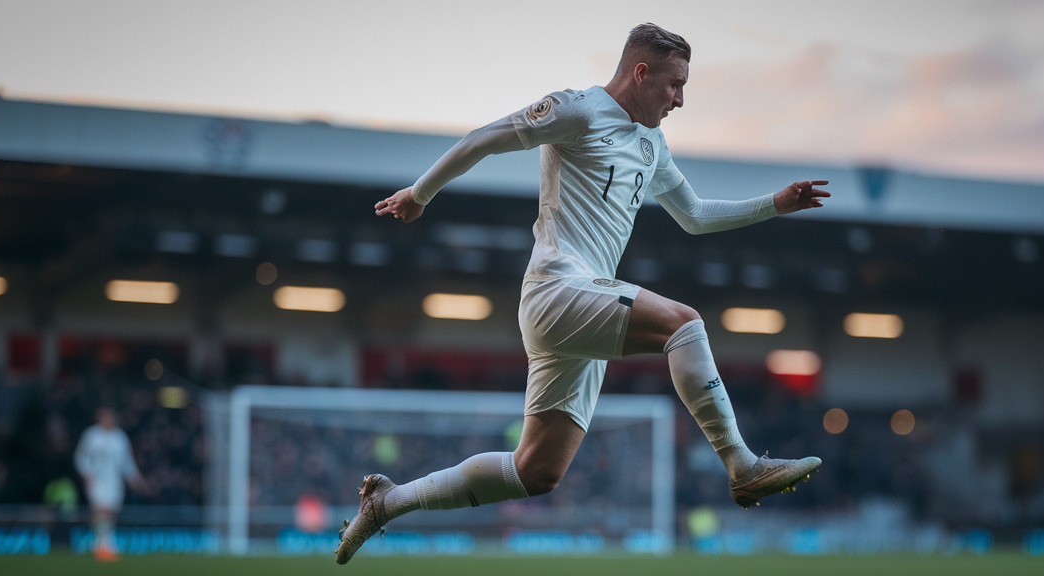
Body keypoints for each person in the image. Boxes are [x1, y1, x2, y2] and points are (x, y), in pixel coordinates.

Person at [339, 23, 828, 564]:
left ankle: (387, 501)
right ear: (640, 73)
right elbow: (483, 139)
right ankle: (742, 465)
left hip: (585, 307)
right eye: (674, 84)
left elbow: (693, 216)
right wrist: (420, 193)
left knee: (536, 472)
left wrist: (774, 205)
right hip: (556, 288)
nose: (681, 100)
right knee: (683, 323)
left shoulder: (652, 144)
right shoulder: (577, 110)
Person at [74, 407, 144, 562]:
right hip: (97, 479)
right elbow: (81, 457)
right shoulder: (91, 435)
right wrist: (86, 473)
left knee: (111, 512)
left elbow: (127, 461)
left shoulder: (120, 437)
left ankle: (105, 543)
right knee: (100, 510)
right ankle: (101, 544)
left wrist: (134, 478)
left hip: (114, 481)